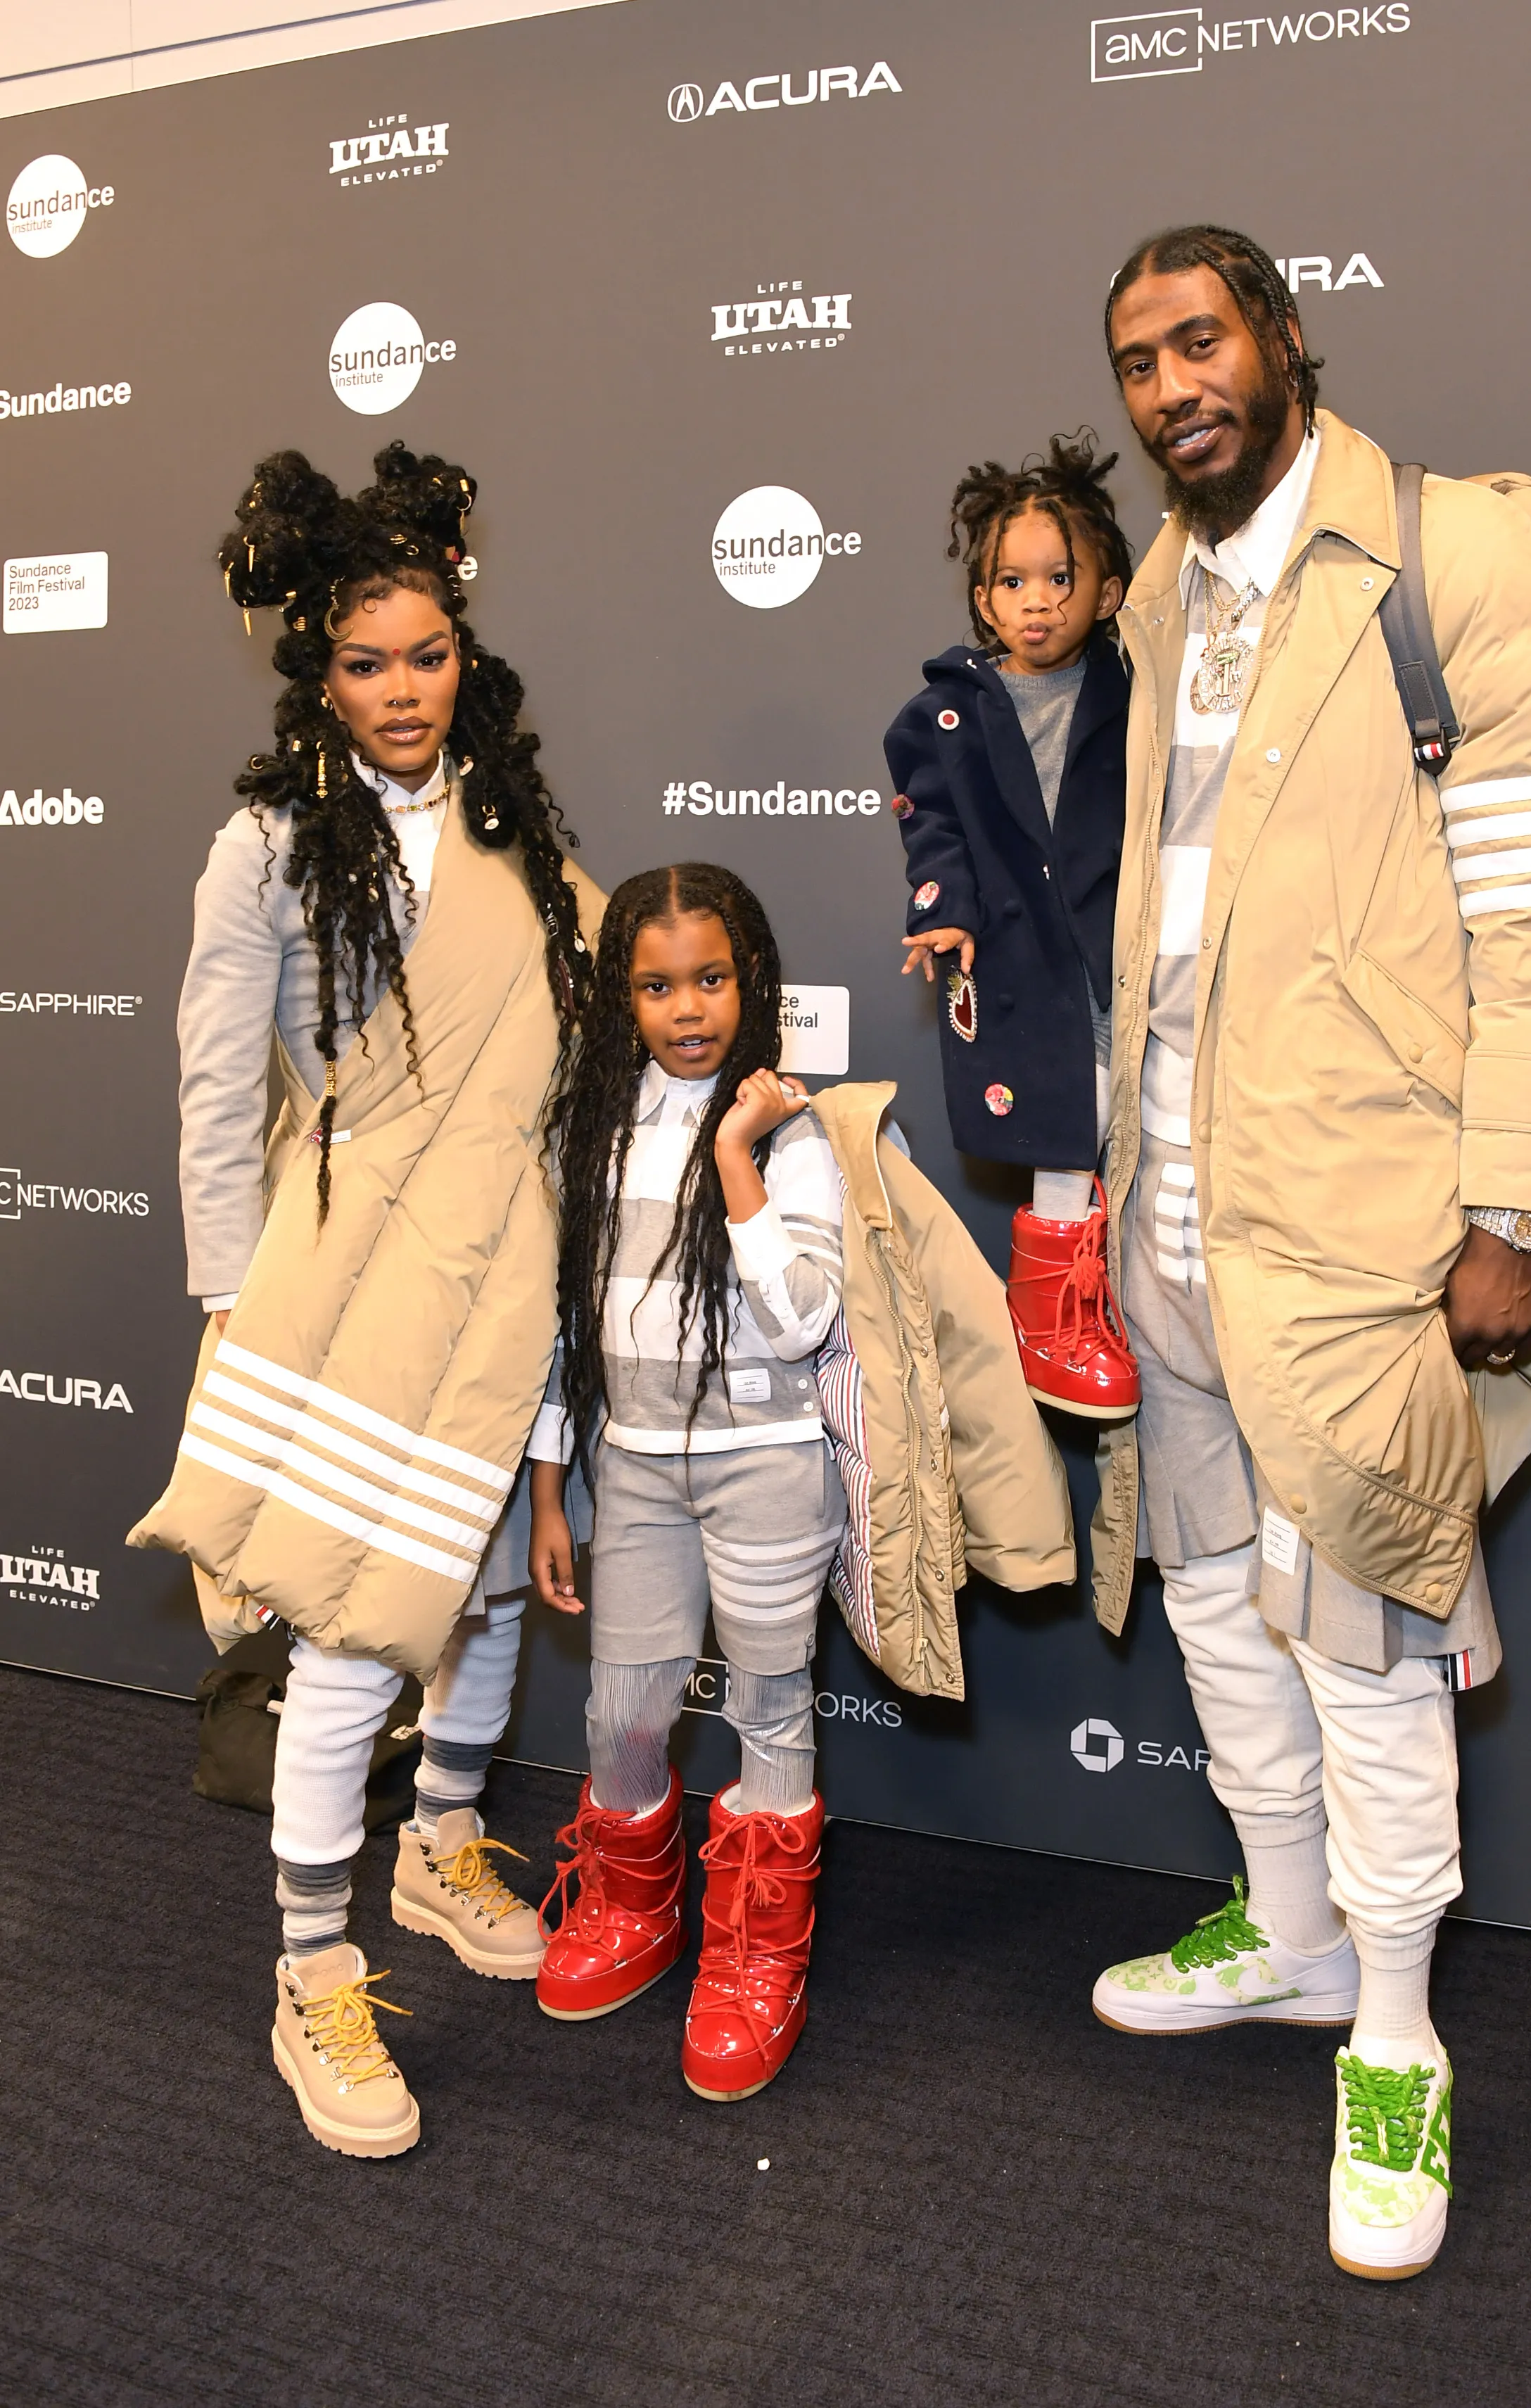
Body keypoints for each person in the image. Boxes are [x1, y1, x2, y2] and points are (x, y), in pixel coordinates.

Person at [1085, 225, 1531, 2277]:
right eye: (1134, 358)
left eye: (1198, 340)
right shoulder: (1159, 587)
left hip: (1363, 1240)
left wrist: (1516, 1210)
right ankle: (1296, 1936)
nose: (1167, 387)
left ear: (1290, 333)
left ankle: (1394, 2037)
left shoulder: (1462, 560)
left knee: (1374, 1638)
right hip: (1172, 1221)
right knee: (1221, 1599)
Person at [130, 443, 604, 2158]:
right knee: (343, 1633)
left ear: (464, 649)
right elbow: (212, 1088)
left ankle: (440, 1840)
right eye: (363, 662)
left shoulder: (518, 833)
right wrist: (227, 1303)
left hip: (499, 1275)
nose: (402, 692)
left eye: (426, 655)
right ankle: (310, 1966)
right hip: (340, 1292)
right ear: (314, 673)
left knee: (475, 1602)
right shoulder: (261, 845)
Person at [526, 862, 847, 2102]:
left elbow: (808, 1317)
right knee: (623, 1713)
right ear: (623, 996)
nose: (688, 1007)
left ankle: (759, 1951)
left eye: (710, 978)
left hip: (768, 1464)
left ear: (749, 978)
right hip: (637, 1470)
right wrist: (553, 1487)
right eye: (657, 985)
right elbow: (567, 1325)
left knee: (771, 1709)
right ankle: (635, 1904)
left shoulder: (795, 1130)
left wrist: (737, 1155)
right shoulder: (593, 1123)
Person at [884, 436, 1139, 1419]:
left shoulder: (1137, 690)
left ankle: (1103, 1289)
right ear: (984, 600)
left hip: (1122, 942)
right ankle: (1050, 1311)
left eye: (1059, 578)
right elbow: (933, 830)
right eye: (1012, 580)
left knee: (1127, 1107)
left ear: (1108, 592)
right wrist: (943, 915)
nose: (1037, 600)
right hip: (1018, 951)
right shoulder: (942, 714)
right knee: (1065, 1120)